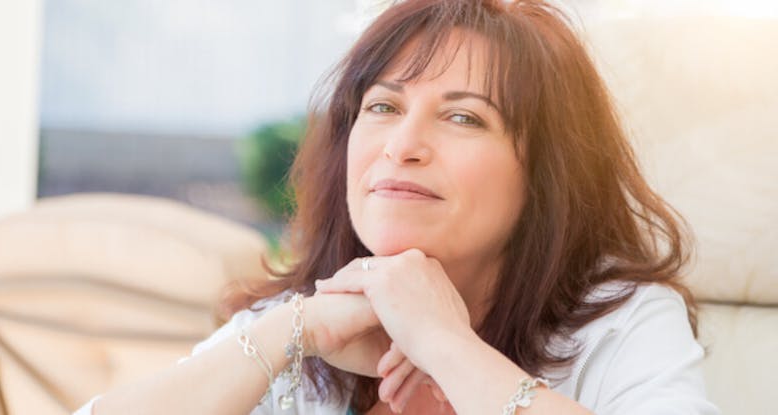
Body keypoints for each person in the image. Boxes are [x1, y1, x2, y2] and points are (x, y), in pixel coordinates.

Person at [76, 0, 720, 414]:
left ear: (546, 175)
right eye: (383, 107)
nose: (403, 146)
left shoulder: (616, 324)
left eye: (464, 117)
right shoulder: (313, 317)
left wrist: (446, 345)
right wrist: (287, 333)